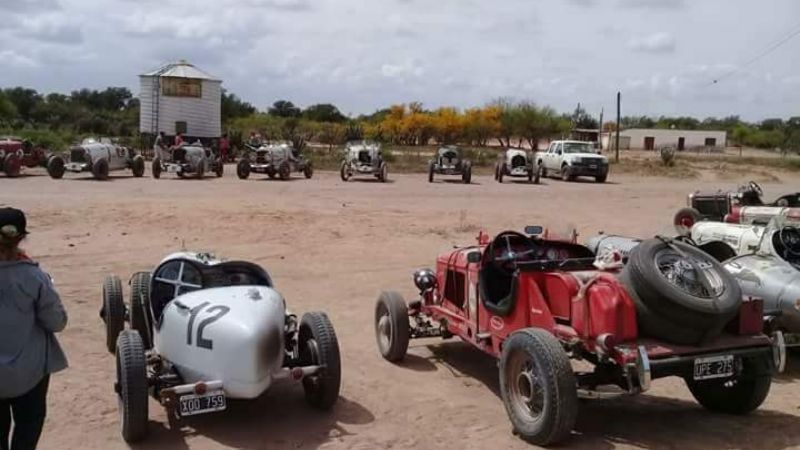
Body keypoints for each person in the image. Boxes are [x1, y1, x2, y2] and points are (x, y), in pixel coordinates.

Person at [0, 208, 68, 450]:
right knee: (27, 429)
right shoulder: (35, 277)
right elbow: (56, 322)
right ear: (21, 238)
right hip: (29, 374)